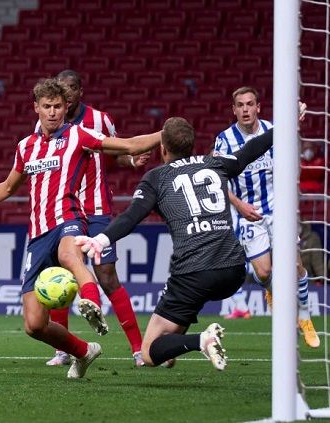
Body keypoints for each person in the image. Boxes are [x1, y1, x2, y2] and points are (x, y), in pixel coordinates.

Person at [0, 78, 162, 379]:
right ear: (36, 109)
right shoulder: (25, 147)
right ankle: (83, 351)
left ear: (66, 107)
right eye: (47, 107)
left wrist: (164, 133)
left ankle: (91, 304)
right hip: (37, 235)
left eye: (57, 106)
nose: (52, 112)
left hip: (68, 218)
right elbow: (6, 187)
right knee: (34, 325)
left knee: (71, 256)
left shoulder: (79, 135)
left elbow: (128, 145)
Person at [77, 117, 277, 370]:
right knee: (166, 353)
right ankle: (177, 347)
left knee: (149, 352)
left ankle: (203, 339)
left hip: (193, 274)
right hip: (233, 270)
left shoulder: (156, 178)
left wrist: (101, 239)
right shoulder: (214, 163)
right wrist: (284, 127)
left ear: (162, 147)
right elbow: (251, 150)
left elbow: (132, 216)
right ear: (192, 144)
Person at [43, 70, 145, 367]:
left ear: (80, 91)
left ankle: (138, 349)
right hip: (64, 209)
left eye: (73, 88)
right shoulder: (47, 123)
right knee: (61, 272)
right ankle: (62, 350)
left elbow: (116, 152)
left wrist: (131, 160)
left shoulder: (100, 120)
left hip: (97, 207)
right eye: (63, 90)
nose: (68, 94)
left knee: (107, 274)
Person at [213, 87, 318, 348]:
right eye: (240, 105)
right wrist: (238, 205)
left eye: (250, 104)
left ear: (259, 107)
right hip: (248, 214)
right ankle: (272, 290)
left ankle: (304, 316)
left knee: (294, 266)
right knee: (263, 272)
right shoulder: (224, 140)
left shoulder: (273, 130)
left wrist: (294, 122)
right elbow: (217, 179)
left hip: (277, 209)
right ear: (234, 109)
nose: (246, 109)